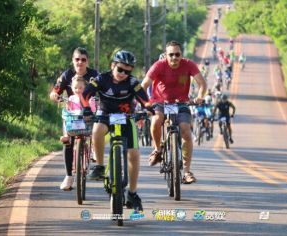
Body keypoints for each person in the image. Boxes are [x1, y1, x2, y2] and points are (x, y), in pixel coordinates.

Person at [80, 50, 151, 211]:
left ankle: (132, 193)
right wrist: (86, 108)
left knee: (134, 154)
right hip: (105, 115)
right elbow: (85, 94)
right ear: (113, 65)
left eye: (127, 71)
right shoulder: (101, 79)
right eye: (120, 69)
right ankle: (98, 166)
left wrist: (148, 108)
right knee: (97, 129)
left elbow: (144, 99)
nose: (123, 74)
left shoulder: (132, 82)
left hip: (125, 117)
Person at [141, 40, 207, 184]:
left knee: (185, 130)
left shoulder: (188, 64)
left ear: (181, 54)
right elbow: (144, 84)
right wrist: (145, 103)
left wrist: (200, 97)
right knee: (157, 120)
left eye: (177, 54)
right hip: (160, 102)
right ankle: (158, 150)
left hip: (181, 102)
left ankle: (187, 171)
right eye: (171, 55)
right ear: (166, 55)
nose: (174, 58)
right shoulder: (158, 65)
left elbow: (202, 84)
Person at [49, 47, 99, 191]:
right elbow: (55, 90)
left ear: (87, 61)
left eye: (83, 60)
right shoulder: (66, 75)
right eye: (77, 59)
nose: (80, 62)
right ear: (73, 60)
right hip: (73, 113)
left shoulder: (94, 75)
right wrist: (54, 95)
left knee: (98, 129)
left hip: (90, 113)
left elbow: (104, 88)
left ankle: (94, 150)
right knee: (68, 141)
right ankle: (69, 176)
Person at [60, 75, 96, 143]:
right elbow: (69, 112)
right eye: (75, 88)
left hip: (86, 122)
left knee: (93, 123)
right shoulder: (71, 98)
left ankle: (94, 143)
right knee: (65, 116)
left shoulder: (88, 98)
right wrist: (68, 105)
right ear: (72, 88)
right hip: (75, 122)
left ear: (85, 88)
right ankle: (66, 135)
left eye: (80, 88)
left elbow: (93, 110)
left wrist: (91, 104)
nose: (78, 90)